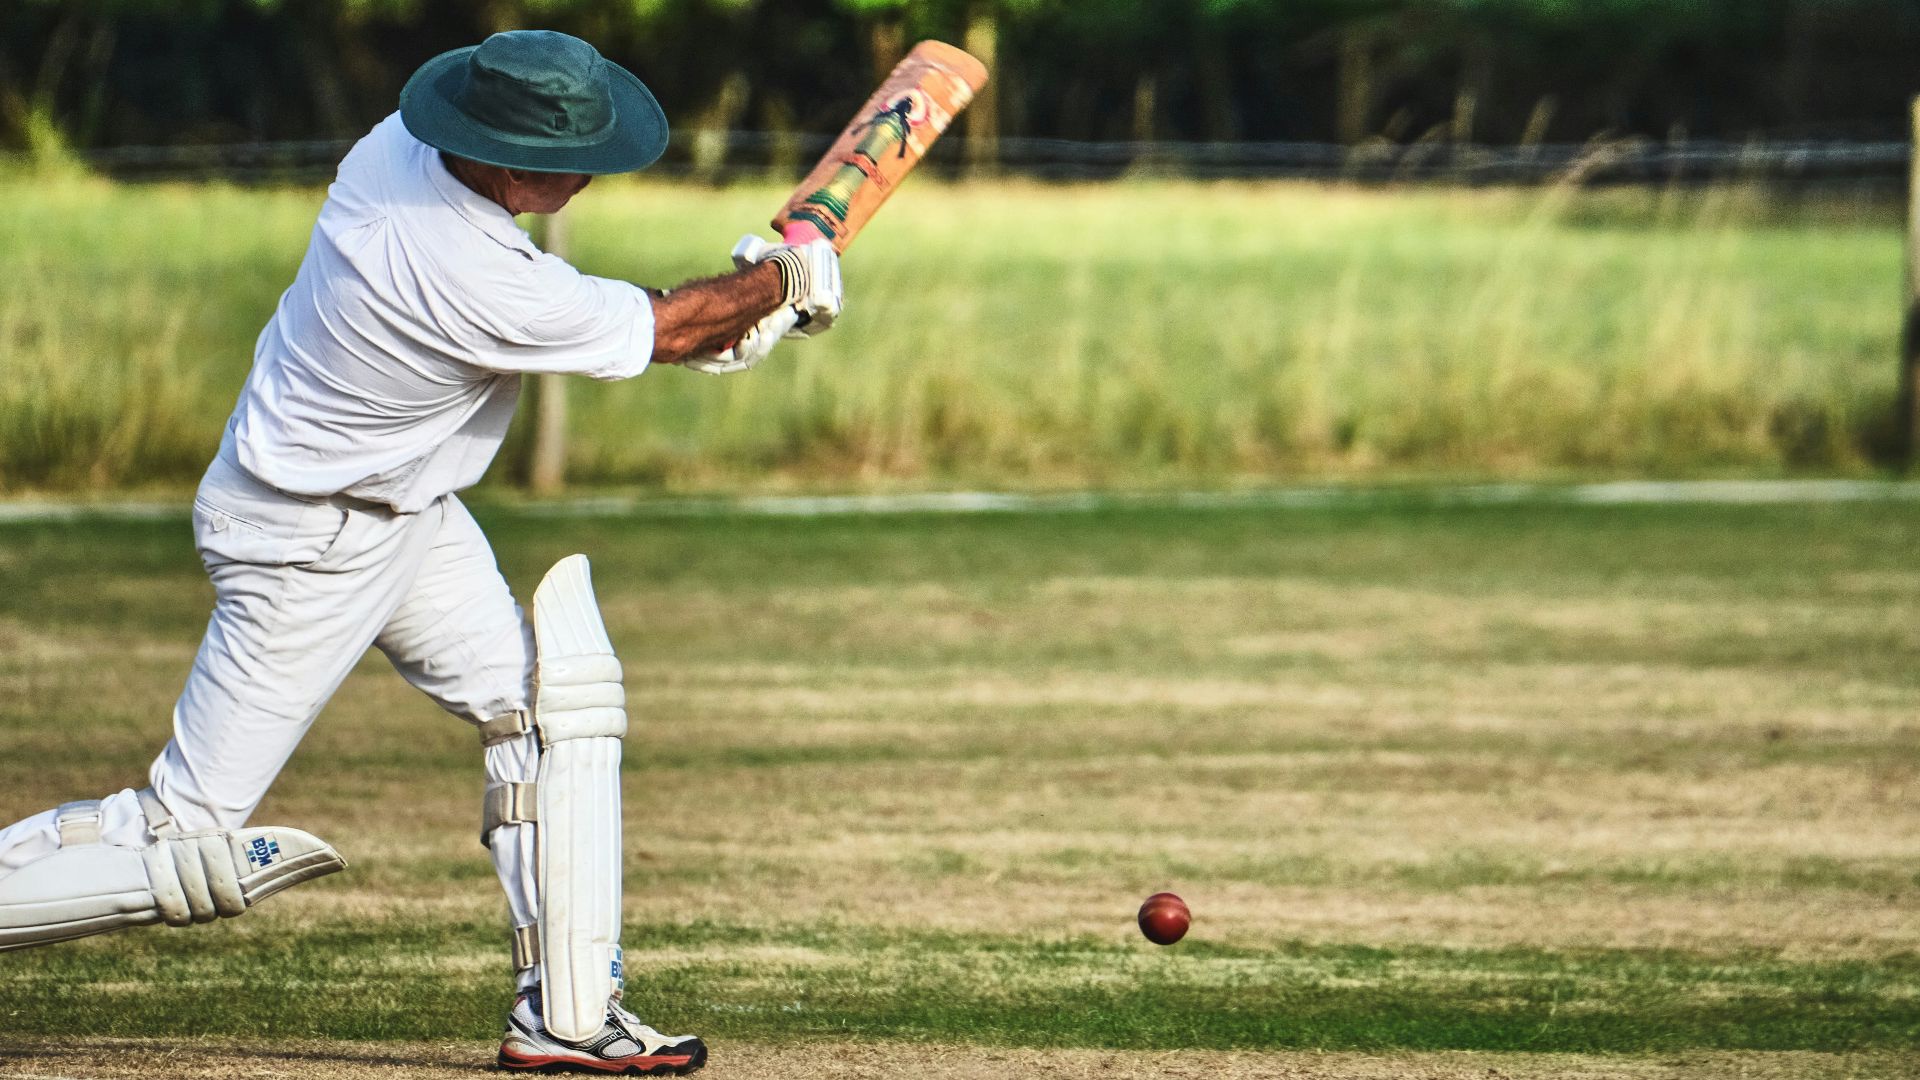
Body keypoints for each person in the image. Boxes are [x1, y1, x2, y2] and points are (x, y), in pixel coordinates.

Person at [0, 30, 836, 1076]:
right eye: (572, 156)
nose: (589, 173)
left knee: (544, 716)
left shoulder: (400, 145)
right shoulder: (452, 268)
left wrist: (745, 309)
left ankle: (567, 1016)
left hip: (408, 514)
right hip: (309, 541)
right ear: (504, 160)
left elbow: (657, 327)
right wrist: (778, 286)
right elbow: (658, 331)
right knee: (180, 835)